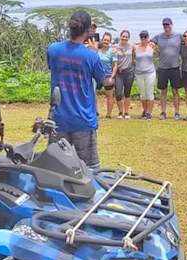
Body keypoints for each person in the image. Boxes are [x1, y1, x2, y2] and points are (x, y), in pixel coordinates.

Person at [47, 11, 110, 169]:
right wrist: (95, 54)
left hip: (58, 119)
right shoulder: (91, 56)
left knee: (55, 168)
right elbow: (105, 82)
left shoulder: (53, 49)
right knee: (90, 170)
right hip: (83, 119)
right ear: (89, 30)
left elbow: (53, 68)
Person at [152, 17, 182, 120]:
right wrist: (155, 48)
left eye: (168, 25)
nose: (166, 27)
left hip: (175, 68)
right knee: (163, 91)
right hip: (162, 68)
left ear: (171, 25)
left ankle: (177, 112)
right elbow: (149, 41)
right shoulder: (159, 37)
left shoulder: (178, 36)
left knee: (175, 91)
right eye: (164, 25)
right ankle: (163, 112)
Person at [133, 30, 156, 120]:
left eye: (145, 37)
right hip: (139, 73)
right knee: (143, 94)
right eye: (142, 37)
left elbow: (158, 54)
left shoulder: (151, 47)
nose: (143, 39)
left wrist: (155, 46)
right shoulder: (135, 47)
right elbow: (133, 59)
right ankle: (145, 111)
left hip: (150, 72)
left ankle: (149, 112)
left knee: (149, 93)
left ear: (148, 38)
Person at [113, 30, 135, 119]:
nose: (124, 38)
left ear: (128, 38)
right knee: (118, 94)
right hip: (119, 73)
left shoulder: (131, 46)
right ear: (120, 36)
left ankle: (126, 113)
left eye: (126, 37)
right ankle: (120, 112)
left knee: (127, 93)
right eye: (123, 36)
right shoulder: (115, 47)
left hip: (129, 72)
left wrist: (134, 62)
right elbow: (113, 60)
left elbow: (134, 54)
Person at [97, 32, 118, 119]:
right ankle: (95, 113)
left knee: (109, 96)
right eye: (105, 39)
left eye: (108, 40)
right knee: (92, 94)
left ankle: (108, 114)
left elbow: (115, 65)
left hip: (108, 76)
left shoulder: (112, 51)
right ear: (102, 40)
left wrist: (112, 77)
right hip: (97, 75)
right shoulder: (97, 49)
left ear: (110, 41)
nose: (106, 41)